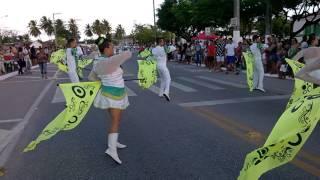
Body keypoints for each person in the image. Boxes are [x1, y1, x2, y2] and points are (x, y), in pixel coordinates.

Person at [88, 37, 132, 164]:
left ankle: (114, 141)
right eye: (112, 47)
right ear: (106, 48)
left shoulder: (99, 62)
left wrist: (106, 79)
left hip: (110, 93)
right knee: (115, 121)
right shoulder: (108, 62)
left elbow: (92, 77)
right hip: (114, 96)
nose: (114, 49)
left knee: (116, 120)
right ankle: (111, 149)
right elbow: (127, 54)